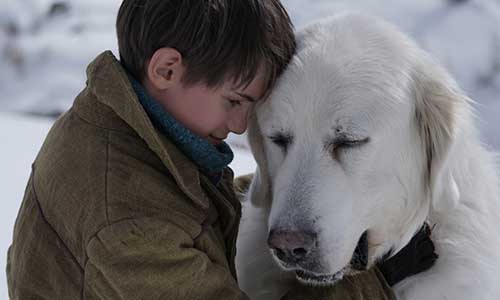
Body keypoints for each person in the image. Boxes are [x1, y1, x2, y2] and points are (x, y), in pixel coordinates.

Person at [6, 0, 437, 299]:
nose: (238, 125)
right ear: (167, 69)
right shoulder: (128, 225)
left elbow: (175, 204)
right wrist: (374, 280)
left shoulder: (112, 122)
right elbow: (149, 220)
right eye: (234, 101)